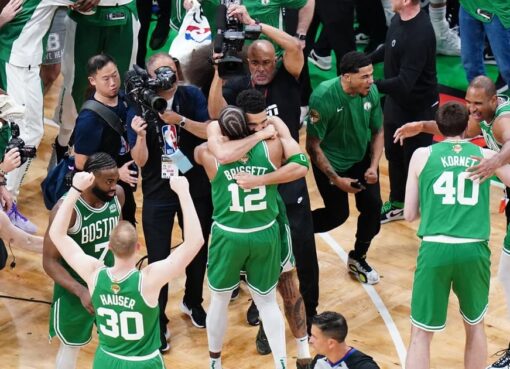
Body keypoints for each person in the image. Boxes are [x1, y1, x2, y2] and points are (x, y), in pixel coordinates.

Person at [208, 5, 320, 337]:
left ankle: (308, 311)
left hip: (286, 179)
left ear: (275, 62)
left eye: (265, 62)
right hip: (256, 186)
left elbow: (295, 47)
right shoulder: (239, 84)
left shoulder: (289, 75)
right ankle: (262, 308)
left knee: (302, 249)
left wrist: (255, 25)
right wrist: (218, 72)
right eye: (254, 62)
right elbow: (215, 111)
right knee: (266, 257)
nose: (259, 68)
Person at [394, 76, 510, 368]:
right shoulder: (483, 153)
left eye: (477, 104)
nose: (473, 109)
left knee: (420, 333)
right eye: (468, 105)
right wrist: (494, 162)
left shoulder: (422, 155)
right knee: (476, 326)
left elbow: (408, 215)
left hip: (435, 248)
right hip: (474, 249)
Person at [48, 172, 203, 369]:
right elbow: (195, 242)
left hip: (106, 359)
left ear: (109, 247)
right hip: (143, 362)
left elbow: (57, 234)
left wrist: (75, 189)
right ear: (138, 246)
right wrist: (183, 192)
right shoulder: (148, 280)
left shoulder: (94, 275)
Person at [195, 104, 307, 369]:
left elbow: (212, 148)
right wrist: (265, 137)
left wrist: (215, 131)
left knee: (219, 300)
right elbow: (300, 165)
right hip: (263, 234)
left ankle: (215, 362)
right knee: (267, 302)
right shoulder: (274, 147)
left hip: (228, 235)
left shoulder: (207, 154)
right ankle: (281, 363)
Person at [127, 52, 211, 349]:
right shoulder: (138, 103)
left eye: (171, 71)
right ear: (150, 77)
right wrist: (138, 137)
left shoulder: (192, 96)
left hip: (194, 184)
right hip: (157, 190)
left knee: (198, 248)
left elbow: (209, 133)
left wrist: (180, 121)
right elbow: (139, 160)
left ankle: (193, 301)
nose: (167, 78)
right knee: (159, 257)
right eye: (160, 72)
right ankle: (158, 319)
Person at [306, 50, 383, 285]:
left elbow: (378, 130)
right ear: (347, 77)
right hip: (331, 163)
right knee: (336, 216)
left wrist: (373, 166)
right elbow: (312, 146)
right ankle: (291, 230)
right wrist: (337, 180)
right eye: (365, 76)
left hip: (360, 159)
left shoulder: (371, 92)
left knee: (373, 208)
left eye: (371, 75)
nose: (371, 80)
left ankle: (358, 257)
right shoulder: (324, 97)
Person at [0, 0, 91, 198]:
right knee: (17, 134)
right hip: (14, 62)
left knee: (34, 132)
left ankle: (10, 197)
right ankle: (7, 197)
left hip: (31, 64)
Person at [43, 153, 125, 369]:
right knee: (71, 346)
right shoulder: (66, 210)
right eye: (108, 181)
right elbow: (49, 262)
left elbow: (119, 240)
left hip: (109, 283)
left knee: (120, 345)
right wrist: (80, 291)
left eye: (116, 180)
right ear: (90, 178)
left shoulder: (118, 196)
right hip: (75, 286)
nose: (113, 186)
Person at [369, 0, 439, 224]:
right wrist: (365, 60)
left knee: (416, 160)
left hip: (418, 107)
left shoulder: (420, 33)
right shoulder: (398, 19)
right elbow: (388, 49)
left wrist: (370, 84)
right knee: (394, 153)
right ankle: (398, 203)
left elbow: (405, 82)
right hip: (397, 103)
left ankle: (423, 206)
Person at [51, 0, 140, 166]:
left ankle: (118, 154)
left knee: (120, 87)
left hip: (122, 8)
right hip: (83, 14)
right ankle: (63, 147)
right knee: (75, 86)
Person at [72, 54, 137, 225]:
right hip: (100, 191)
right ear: (92, 81)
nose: (113, 83)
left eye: (115, 75)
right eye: (106, 79)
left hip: (124, 183)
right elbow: (80, 163)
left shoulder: (124, 99)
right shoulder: (89, 119)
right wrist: (116, 173)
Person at [459, 0, 510, 89]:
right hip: (468, 5)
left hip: (499, 9)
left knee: (506, 67)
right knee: (470, 61)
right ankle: (479, 96)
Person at [309, 311, 380, 369]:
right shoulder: (320, 359)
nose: (310, 341)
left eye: (315, 337)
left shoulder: (365, 367)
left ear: (331, 343)